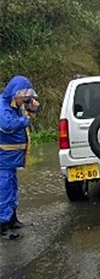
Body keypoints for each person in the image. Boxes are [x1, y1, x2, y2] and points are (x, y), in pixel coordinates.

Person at [0, 75, 39, 240]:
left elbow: (25, 119)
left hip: (12, 157)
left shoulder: (16, 105)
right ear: (15, 92)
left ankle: (12, 219)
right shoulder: (3, 107)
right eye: (23, 94)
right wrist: (26, 118)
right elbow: (7, 125)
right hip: (3, 157)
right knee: (4, 189)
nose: (25, 98)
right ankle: (2, 226)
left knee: (12, 188)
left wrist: (32, 110)